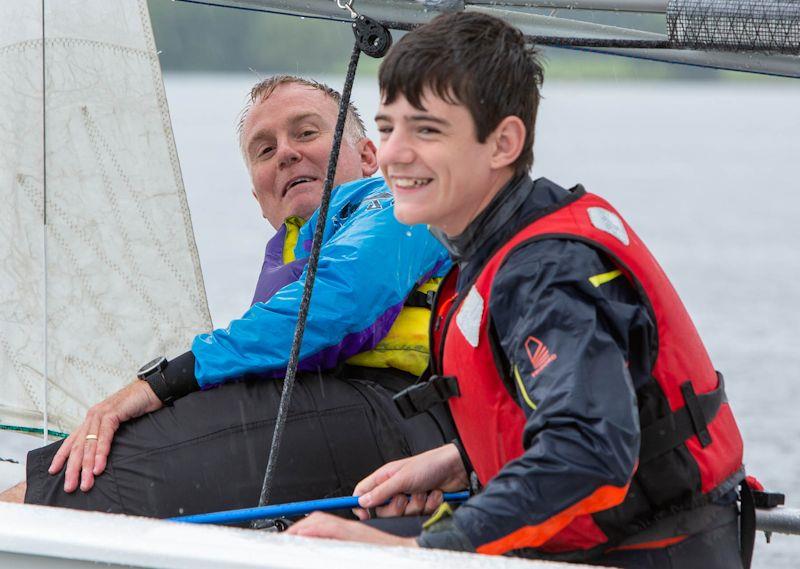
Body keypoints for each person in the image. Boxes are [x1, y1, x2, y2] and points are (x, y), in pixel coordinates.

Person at [286, 13, 748, 568]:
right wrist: (463, 457)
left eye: (426, 130)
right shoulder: (510, 236)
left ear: (502, 142)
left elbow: (592, 449)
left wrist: (419, 549)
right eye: (387, 128)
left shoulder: (543, 274)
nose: (393, 155)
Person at [1, 76, 455, 517]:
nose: (286, 153)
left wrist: (159, 383)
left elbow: (340, 302)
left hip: (404, 415)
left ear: (369, 155)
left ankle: (26, 516)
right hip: (371, 421)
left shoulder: (399, 202)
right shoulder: (301, 248)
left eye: (306, 132)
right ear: (258, 197)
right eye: (265, 149)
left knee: (77, 482)